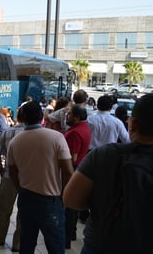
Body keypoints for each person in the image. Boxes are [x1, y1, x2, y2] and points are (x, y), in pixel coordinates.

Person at [63, 93, 153, 254]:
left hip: (102, 241)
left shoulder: (92, 127)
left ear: (133, 124)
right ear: (111, 107)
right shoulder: (116, 122)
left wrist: (102, 202)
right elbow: (126, 139)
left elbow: (71, 199)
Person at [7, 101, 73, 254]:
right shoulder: (56, 137)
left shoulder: (15, 142)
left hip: (26, 198)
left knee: (27, 242)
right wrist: (65, 196)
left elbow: (12, 172)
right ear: (42, 117)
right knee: (55, 245)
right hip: (50, 200)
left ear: (22, 118)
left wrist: (21, 189)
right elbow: (68, 171)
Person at [0, 109, 25, 252]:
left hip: (9, 176)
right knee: (24, 211)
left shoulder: (8, 132)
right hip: (29, 180)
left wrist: (1, 169)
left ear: (18, 118)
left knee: (4, 208)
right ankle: (18, 243)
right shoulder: (37, 134)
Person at [63, 104, 91, 249]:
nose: (66, 117)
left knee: (68, 206)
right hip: (78, 167)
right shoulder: (84, 128)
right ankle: (71, 233)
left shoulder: (74, 132)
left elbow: (72, 157)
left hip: (71, 169)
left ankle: (66, 238)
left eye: (69, 115)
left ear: (77, 117)